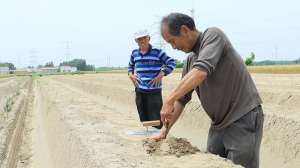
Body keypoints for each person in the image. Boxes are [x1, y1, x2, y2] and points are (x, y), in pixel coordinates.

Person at [154, 13, 264, 168]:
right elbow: (182, 99)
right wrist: (165, 129)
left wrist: (168, 99)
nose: (174, 47)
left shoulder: (213, 35)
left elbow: (201, 72)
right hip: (218, 124)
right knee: (212, 163)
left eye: (172, 41)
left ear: (184, 30)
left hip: (242, 118)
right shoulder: (190, 60)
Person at [128, 29, 175, 129]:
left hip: (154, 90)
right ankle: (148, 134)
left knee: (156, 117)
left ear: (149, 38)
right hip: (139, 89)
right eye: (139, 39)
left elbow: (171, 63)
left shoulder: (157, 52)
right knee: (143, 114)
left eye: (144, 38)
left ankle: (159, 135)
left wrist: (162, 74)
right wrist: (131, 75)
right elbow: (130, 66)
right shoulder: (134, 53)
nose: (142, 41)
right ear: (136, 41)